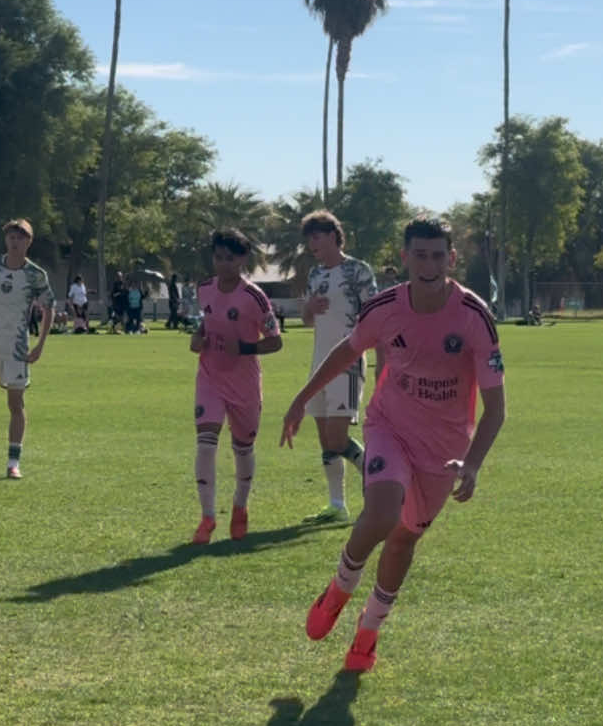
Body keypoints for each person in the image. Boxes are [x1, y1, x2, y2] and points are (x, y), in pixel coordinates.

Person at [281, 217, 505, 673]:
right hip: (389, 427)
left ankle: (368, 632)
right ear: (405, 257)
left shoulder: (474, 315)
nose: (429, 264)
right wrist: (302, 400)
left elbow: (496, 407)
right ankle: (339, 589)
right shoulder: (385, 307)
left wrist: (475, 464)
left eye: (438, 255)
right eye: (419, 255)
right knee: (382, 514)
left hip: (443, 448)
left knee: (403, 541)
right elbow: (348, 351)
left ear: (452, 259)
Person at [189, 229, 282, 544]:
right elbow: (206, 321)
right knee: (205, 442)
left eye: (230, 258)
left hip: (243, 383)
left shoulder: (253, 296)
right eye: (218, 257)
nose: (223, 264)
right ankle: (207, 517)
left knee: (243, 448)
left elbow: (276, 342)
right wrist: (198, 336)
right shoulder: (204, 289)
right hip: (210, 377)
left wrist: (243, 349)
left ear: (242, 259)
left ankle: (240, 508)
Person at [299, 209, 377, 524]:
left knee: (336, 437)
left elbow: (374, 314)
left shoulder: (358, 271)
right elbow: (306, 321)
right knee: (325, 439)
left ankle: (380, 474)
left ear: (333, 235)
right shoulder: (315, 276)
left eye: (316, 237)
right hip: (319, 362)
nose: (311, 244)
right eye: (308, 239)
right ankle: (337, 504)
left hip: (348, 361)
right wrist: (308, 307)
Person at [0, 218, 55, 480]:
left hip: (16, 347)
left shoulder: (36, 275)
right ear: (6, 240)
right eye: (11, 238)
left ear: (29, 241)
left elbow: (49, 307)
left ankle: (13, 462)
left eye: (20, 238)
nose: (15, 243)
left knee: (16, 403)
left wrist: (40, 345)